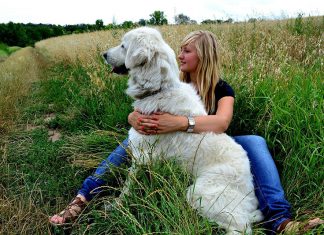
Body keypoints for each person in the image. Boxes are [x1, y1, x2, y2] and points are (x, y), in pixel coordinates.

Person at [50, 30, 322, 233]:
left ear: (204, 55)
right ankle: (83, 196)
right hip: (176, 144)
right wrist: (134, 117)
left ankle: (280, 219)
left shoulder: (222, 88)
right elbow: (144, 105)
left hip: (211, 143)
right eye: (179, 50)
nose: (180, 55)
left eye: (188, 51)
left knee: (255, 140)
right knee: (132, 140)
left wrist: (180, 123)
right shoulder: (169, 79)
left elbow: (221, 123)